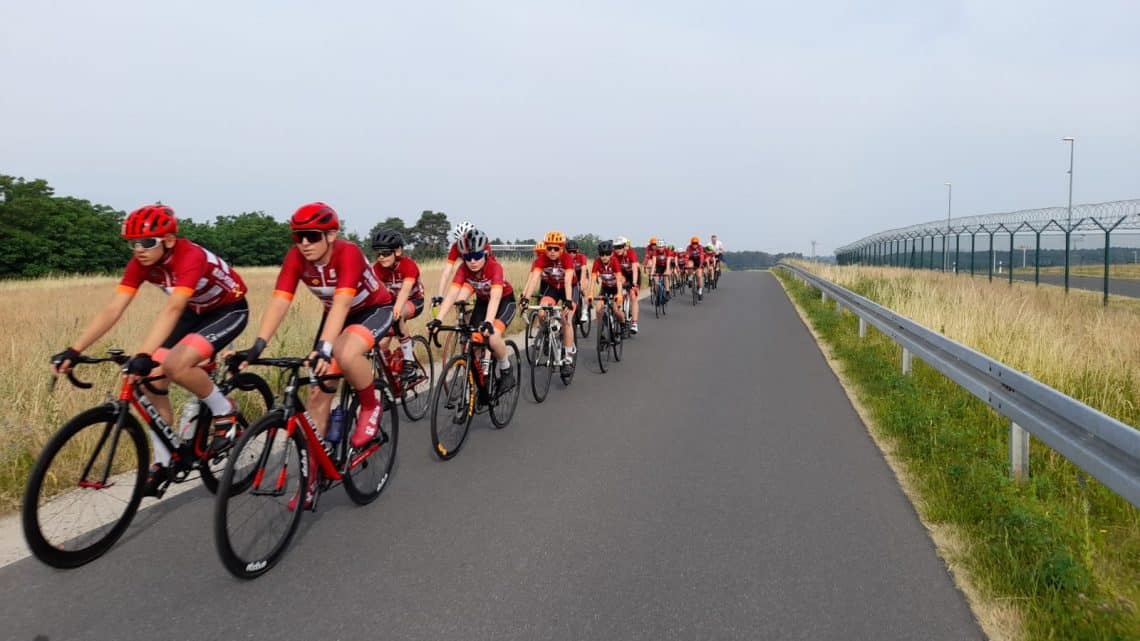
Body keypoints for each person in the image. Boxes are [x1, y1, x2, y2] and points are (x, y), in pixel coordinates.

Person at [51, 204, 249, 496]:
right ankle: (164, 462)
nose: (138, 249)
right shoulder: (141, 263)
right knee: (149, 381)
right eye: (132, 243)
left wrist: (143, 354)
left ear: (168, 240)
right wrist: (74, 349)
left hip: (227, 309)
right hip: (193, 312)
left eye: (146, 242)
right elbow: (114, 309)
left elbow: (173, 308)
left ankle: (225, 412)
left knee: (174, 365)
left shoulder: (189, 256)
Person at [230, 202, 394, 510]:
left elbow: (344, 304)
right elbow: (280, 302)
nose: (303, 243)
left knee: (344, 352)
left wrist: (325, 348)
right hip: (336, 316)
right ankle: (312, 480)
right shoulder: (296, 258)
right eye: (297, 237)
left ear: (331, 235)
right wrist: (258, 346)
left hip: (372, 309)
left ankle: (371, 405)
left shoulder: (349, 254)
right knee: (318, 396)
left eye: (311, 236)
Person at [428, 227, 516, 392]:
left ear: (485, 253)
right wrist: (438, 319)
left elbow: (496, 296)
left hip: (504, 301)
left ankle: (506, 369)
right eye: (468, 257)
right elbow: (453, 294)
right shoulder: (464, 269)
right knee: (473, 341)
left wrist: (489, 321)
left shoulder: (494, 268)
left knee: (493, 337)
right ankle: (483, 376)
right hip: (483, 302)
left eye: (476, 256)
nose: (472, 261)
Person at [371, 229, 425, 379]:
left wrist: (395, 310)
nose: (381, 257)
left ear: (398, 251)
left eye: (386, 253)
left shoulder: (408, 265)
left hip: (413, 300)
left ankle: (409, 362)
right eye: (378, 253)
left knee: (398, 315)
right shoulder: (376, 269)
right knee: (381, 344)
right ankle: (391, 377)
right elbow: (373, 295)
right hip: (391, 303)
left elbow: (405, 291)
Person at [520, 230, 577, 374]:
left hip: (568, 289)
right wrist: (526, 298)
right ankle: (546, 335)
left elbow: (568, 281)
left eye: (555, 248)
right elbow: (534, 279)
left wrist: (568, 301)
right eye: (549, 248)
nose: (552, 251)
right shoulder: (542, 260)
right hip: (553, 288)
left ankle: (568, 358)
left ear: (562, 248)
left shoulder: (567, 259)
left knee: (567, 319)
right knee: (541, 310)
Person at [587, 239, 627, 328]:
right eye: (602, 254)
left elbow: (619, 279)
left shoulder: (614, 261)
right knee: (598, 309)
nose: (604, 256)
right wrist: (590, 293)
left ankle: (623, 323)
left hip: (616, 288)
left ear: (611, 254)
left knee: (616, 310)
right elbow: (593, 279)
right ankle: (602, 331)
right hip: (605, 288)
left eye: (607, 254)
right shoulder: (597, 262)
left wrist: (620, 293)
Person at [612, 236, 640, 333]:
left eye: (620, 247)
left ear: (624, 247)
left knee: (633, 295)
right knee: (619, 289)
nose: (618, 249)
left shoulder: (631, 253)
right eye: (616, 247)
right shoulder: (614, 256)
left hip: (633, 275)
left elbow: (635, 269)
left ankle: (634, 323)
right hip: (623, 275)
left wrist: (634, 283)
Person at [565, 238, 590, 323]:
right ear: (566, 251)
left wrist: (582, 282)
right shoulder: (565, 258)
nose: (572, 254)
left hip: (582, 273)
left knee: (583, 289)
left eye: (574, 252)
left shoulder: (581, 257)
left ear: (577, 251)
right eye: (569, 252)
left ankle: (584, 311)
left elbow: (583, 270)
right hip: (573, 274)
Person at [683, 236, 706, 300]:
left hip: (698, 261)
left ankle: (700, 291)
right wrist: (686, 264)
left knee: (699, 275)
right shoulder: (689, 247)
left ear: (698, 243)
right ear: (691, 243)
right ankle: (690, 278)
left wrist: (701, 265)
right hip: (691, 260)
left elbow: (701, 256)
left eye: (696, 243)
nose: (694, 245)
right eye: (693, 243)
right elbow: (686, 257)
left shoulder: (700, 247)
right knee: (689, 265)